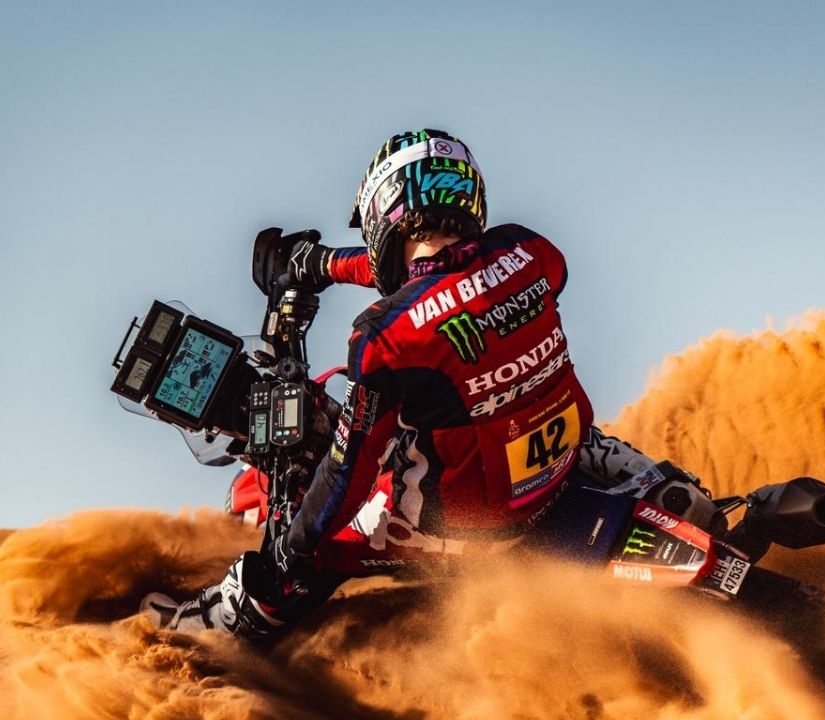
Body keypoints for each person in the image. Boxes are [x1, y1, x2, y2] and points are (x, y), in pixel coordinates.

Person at [143, 128, 711, 637]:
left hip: (467, 527)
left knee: (301, 557)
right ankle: (658, 484)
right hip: (555, 468)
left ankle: (203, 631)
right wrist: (321, 264)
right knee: (553, 422)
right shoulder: (534, 253)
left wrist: (291, 549)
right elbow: (451, 270)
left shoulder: (383, 340)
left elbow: (346, 474)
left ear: (382, 214)